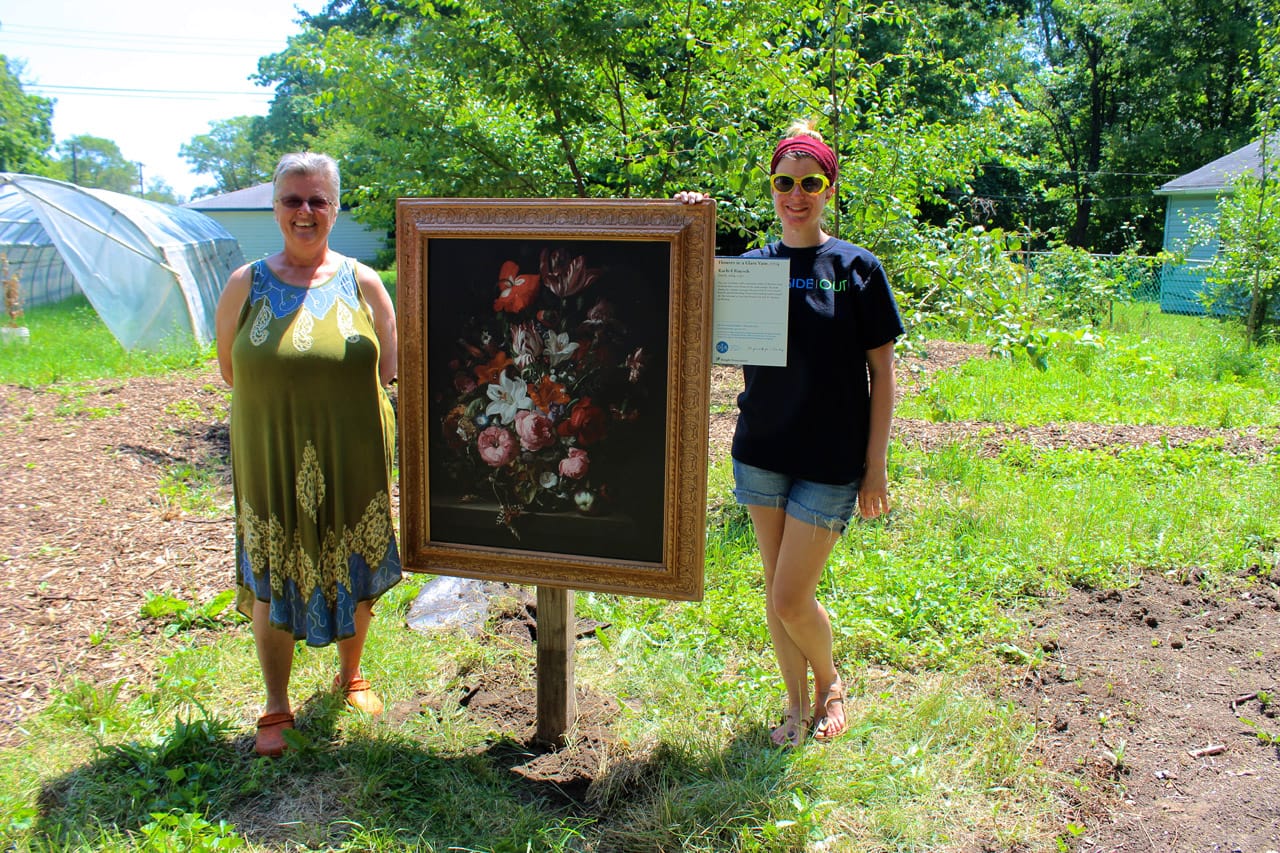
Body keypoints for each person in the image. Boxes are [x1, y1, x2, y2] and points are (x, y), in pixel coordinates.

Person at [679, 121, 903, 746]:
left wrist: (875, 465)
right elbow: (685, 287)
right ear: (772, 187)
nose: (796, 194)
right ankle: (794, 707)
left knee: (788, 597)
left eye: (809, 182)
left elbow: (882, 374)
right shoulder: (751, 270)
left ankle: (830, 682)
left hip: (831, 461)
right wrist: (691, 222)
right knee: (779, 591)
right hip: (762, 454)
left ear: (828, 187)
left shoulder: (857, 268)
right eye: (784, 181)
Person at [215, 152, 402, 757]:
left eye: (317, 200)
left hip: (354, 451)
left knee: (355, 558)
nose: (305, 211)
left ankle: (352, 675)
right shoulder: (245, 283)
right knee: (274, 567)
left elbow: (390, 370)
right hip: (271, 449)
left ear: (335, 208)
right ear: (275, 209)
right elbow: (229, 372)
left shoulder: (364, 281)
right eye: (293, 200)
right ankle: (276, 704)